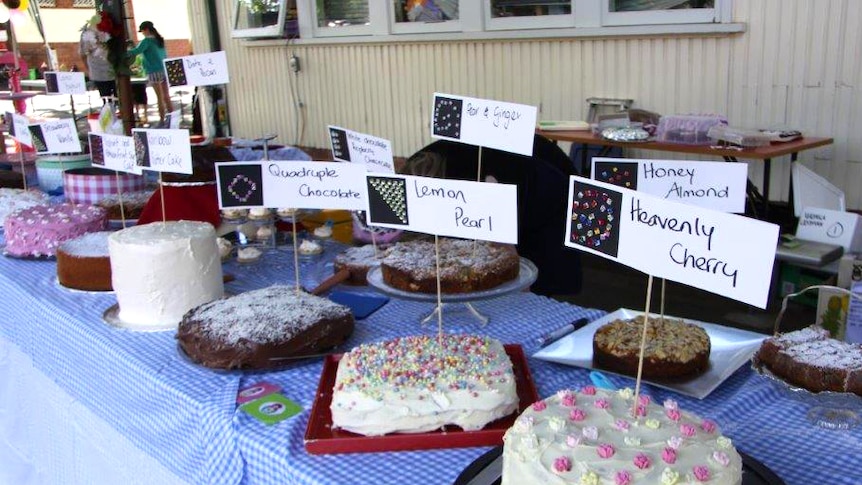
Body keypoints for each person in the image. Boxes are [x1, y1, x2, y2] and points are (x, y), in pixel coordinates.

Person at [127, 21, 171, 123]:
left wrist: (125, 52)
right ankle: (172, 118)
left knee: (159, 97)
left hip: (153, 70)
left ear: (146, 30)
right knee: (166, 96)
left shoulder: (146, 41)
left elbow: (135, 52)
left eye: (142, 31)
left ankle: (162, 120)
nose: (142, 33)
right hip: (164, 69)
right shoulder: (159, 40)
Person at [79, 18, 115, 102]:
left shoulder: (87, 33)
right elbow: (83, 53)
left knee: (106, 99)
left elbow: (82, 54)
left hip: (103, 71)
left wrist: (88, 70)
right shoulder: (87, 34)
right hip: (100, 71)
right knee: (109, 99)